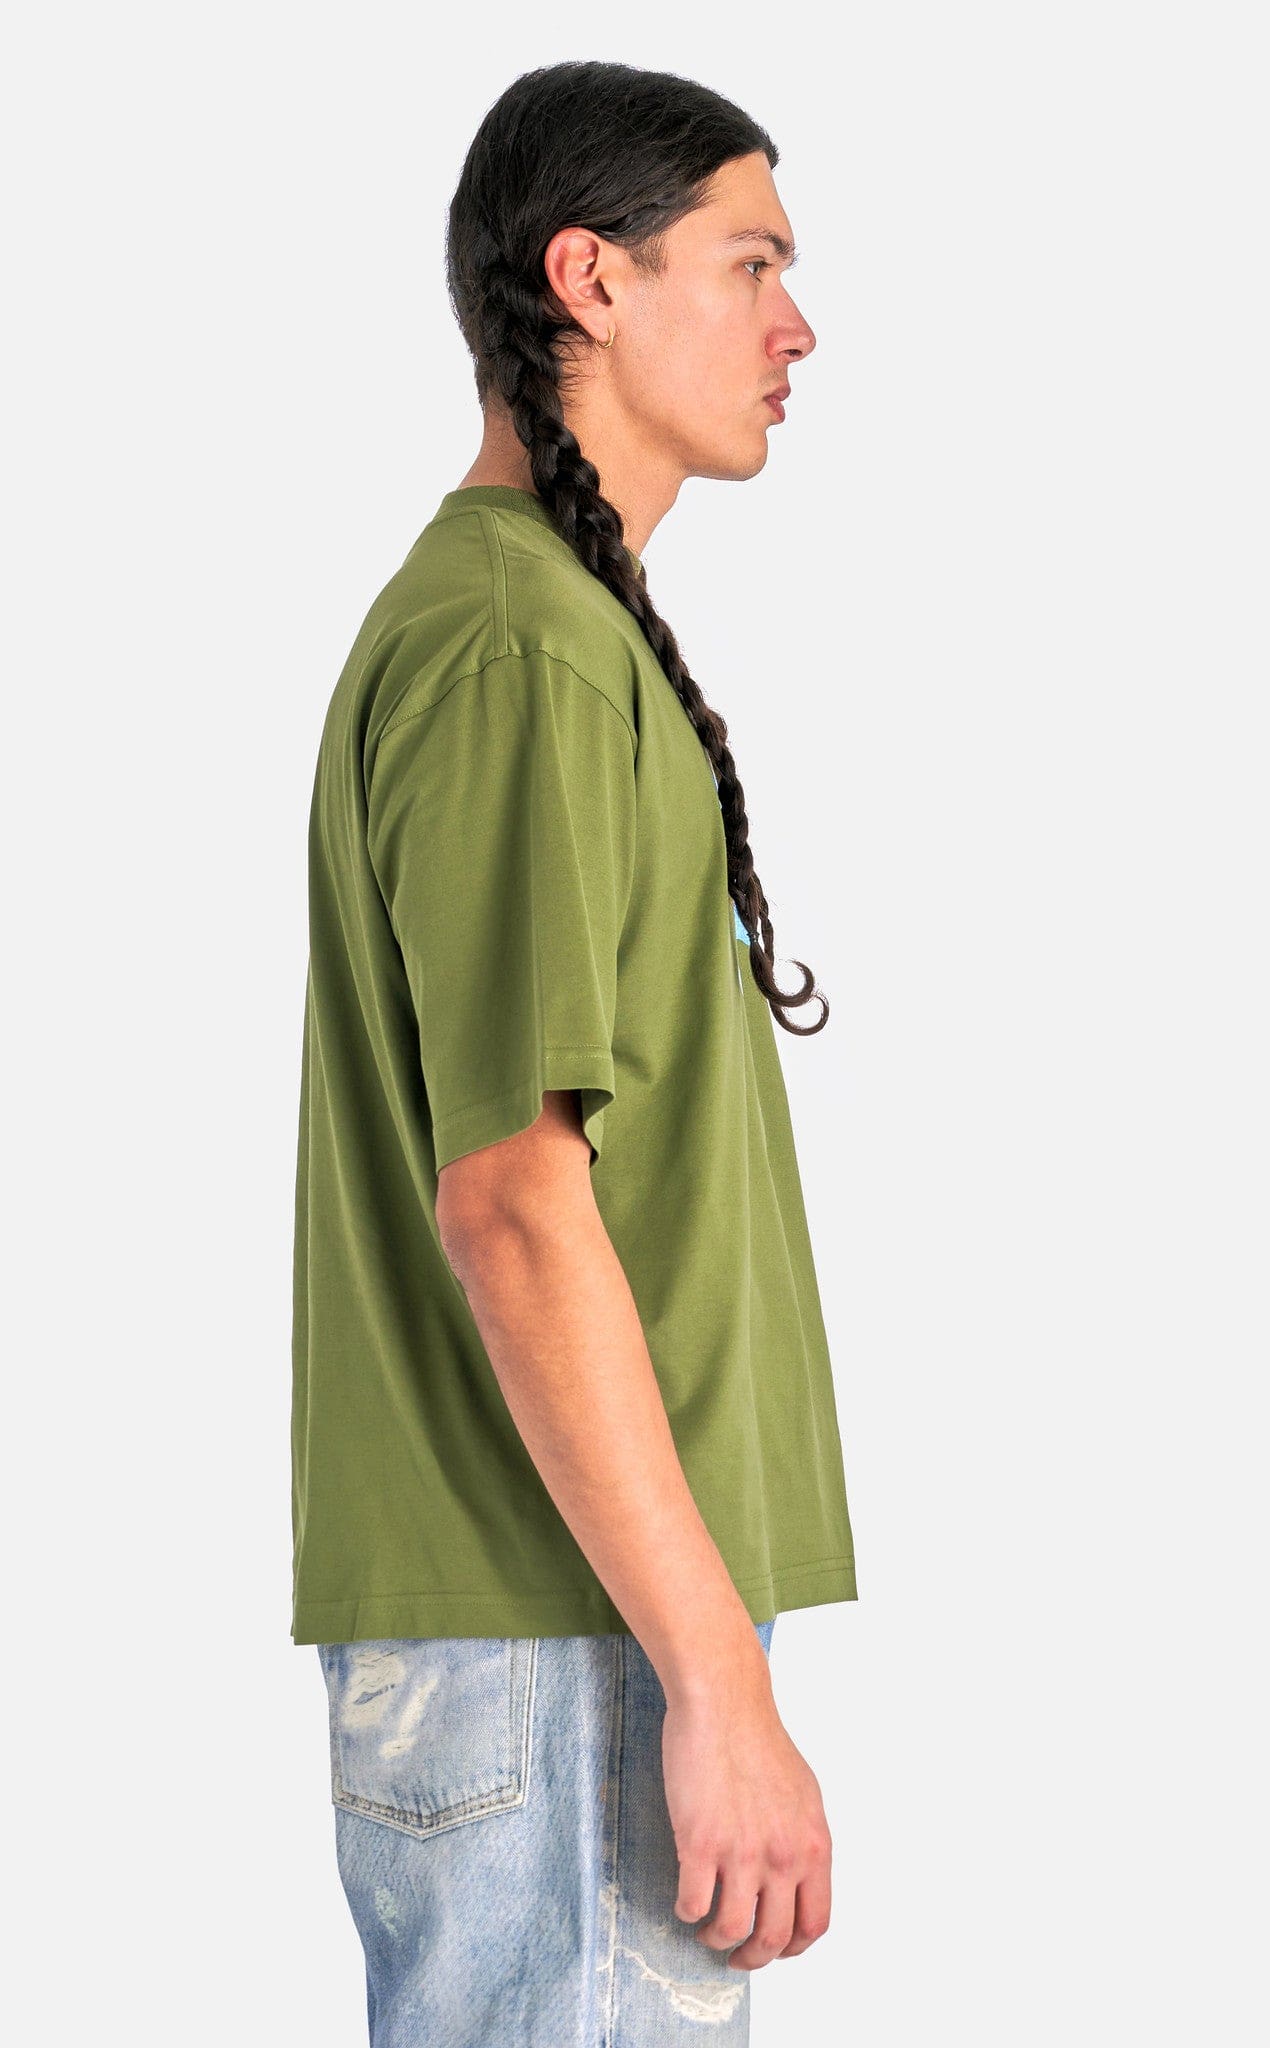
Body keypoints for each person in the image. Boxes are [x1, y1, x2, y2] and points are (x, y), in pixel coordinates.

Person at [291, 59, 858, 2044]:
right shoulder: (516, 646)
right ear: (590, 280)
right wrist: (711, 1676)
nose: (797, 325)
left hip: (568, 1618)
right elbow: (515, 1206)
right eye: (751, 263)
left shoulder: (539, 628)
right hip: (571, 1634)